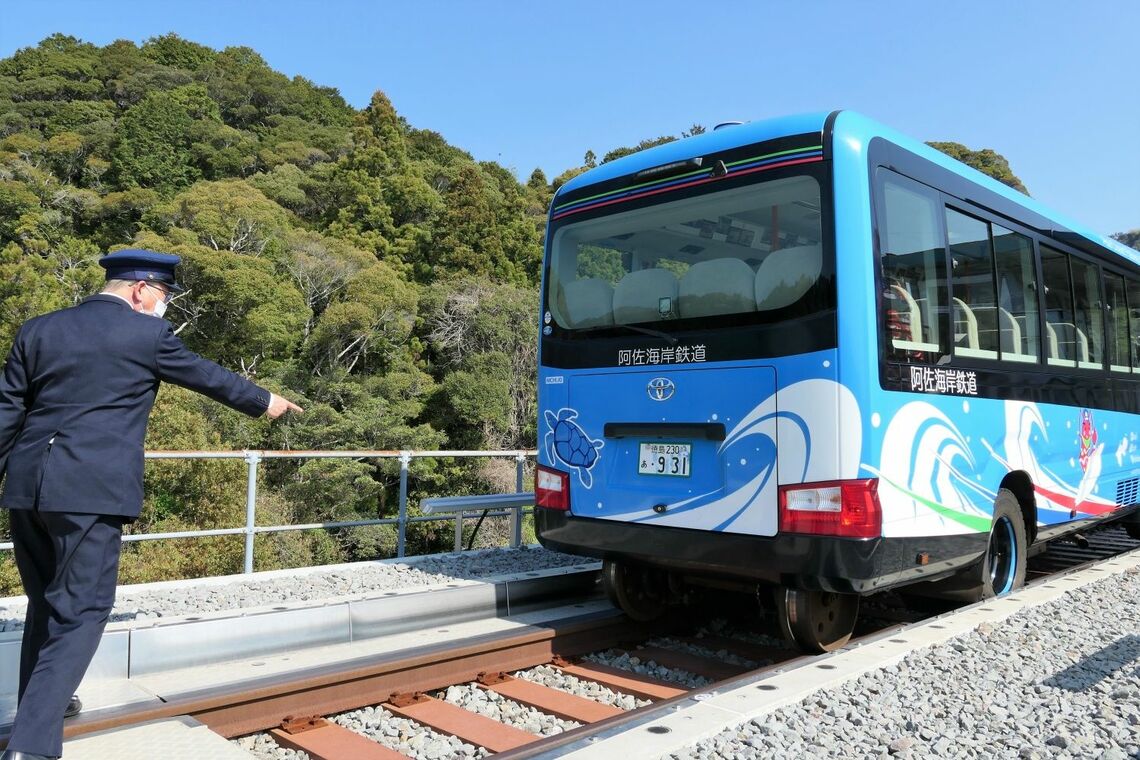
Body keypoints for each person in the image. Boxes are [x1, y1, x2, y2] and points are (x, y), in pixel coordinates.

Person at [0, 249, 303, 760]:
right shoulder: (145, 335)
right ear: (141, 289)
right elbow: (206, 375)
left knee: (47, 603)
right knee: (84, 610)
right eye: (163, 296)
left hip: (28, 488)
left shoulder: (38, 329)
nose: (164, 307)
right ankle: (30, 747)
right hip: (90, 491)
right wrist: (263, 400)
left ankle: (47, 700)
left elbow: (7, 410)